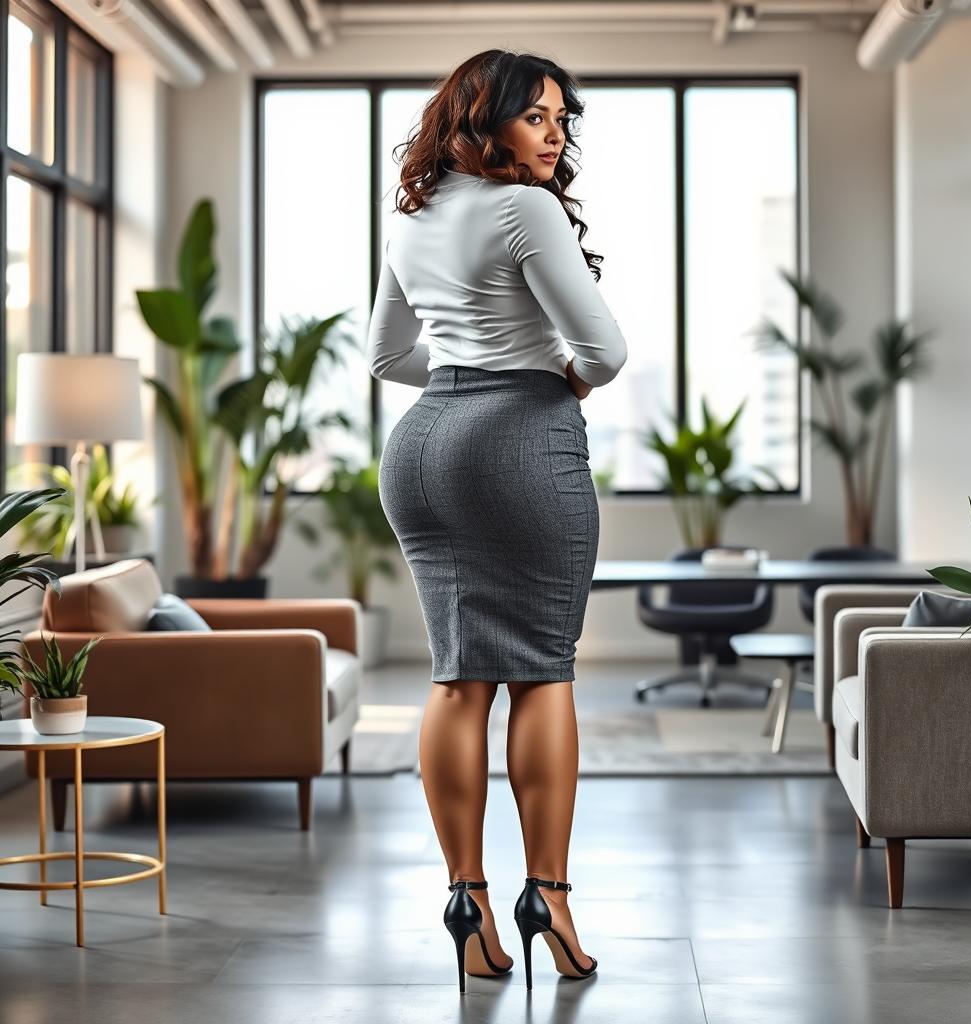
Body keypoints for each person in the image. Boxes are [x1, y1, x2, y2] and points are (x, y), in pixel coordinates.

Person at [366, 48, 627, 994]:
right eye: (535, 117)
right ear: (486, 121)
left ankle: (465, 901)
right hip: (518, 440)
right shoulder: (526, 209)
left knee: (457, 676)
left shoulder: (417, 216)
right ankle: (548, 898)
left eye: (562, 117)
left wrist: (458, 378)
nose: (554, 133)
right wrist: (554, 379)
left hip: (423, 442)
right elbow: (605, 349)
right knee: (542, 671)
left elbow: (385, 355)